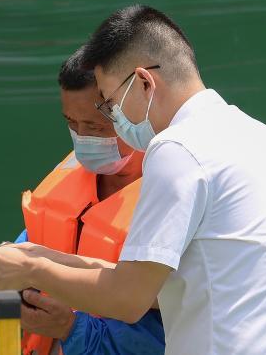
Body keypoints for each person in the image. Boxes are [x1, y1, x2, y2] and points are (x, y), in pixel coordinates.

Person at [0, 6, 266, 355]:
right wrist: (46, 257)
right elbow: (163, 288)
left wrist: (31, 269)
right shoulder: (264, 140)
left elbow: (128, 298)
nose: (115, 119)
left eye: (110, 105)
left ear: (144, 83)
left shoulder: (179, 148)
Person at [9, 48, 165, 355]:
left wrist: (72, 328)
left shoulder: (170, 192)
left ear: (132, 111)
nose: (82, 137)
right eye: (71, 122)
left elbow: (174, 327)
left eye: (95, 126)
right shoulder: (69, 175)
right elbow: (32, 240)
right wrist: (1, 279)